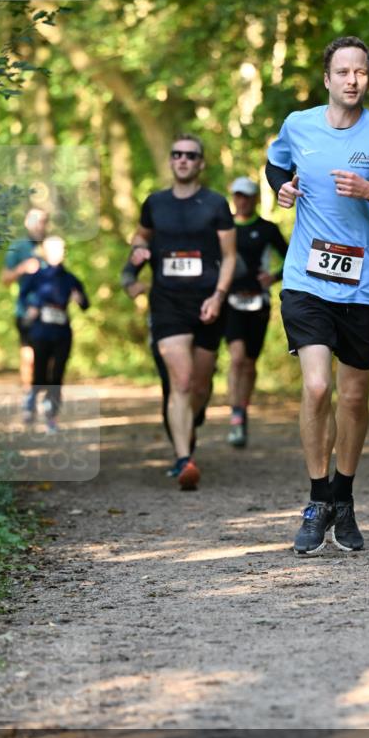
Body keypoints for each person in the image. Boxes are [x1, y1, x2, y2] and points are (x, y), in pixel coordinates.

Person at [266, 35, 369, 554]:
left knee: (353, 396)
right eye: (343, 72)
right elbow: (276, 164)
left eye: (361, 73)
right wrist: (281, 189)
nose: (353, 80)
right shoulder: (298, 125)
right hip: (307, 279)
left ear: (367, 79)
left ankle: (344, 498)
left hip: (365, 285)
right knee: (315, 388)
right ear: (327, 79)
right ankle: (315, 500)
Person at [124, 134, 236, 490]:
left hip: (207, 303)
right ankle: (183, 459)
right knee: (182, 381)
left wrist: (219, 296)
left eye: (191, 155)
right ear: (171, 161)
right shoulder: (155, 203)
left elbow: (230, 256)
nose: (183, 160)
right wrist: (139, 255)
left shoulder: (216, 204)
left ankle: (191, 425)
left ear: (201, 163)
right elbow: (139, 238)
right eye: (177, 154)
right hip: (167, 302)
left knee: (200, 386)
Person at [225, 176, 288, 448]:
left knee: (249, 363)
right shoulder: (223, 227)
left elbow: (293, 257)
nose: (242, 200)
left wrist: (274, 278)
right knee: (236, 358)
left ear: (254, 199)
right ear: (233, 197)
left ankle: (243, 406)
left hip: (258, 302)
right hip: (229, 302)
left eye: (247, 196)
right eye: (238, 195)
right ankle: (235, 416)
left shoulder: (267, 229)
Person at [19, 235, 89, 432]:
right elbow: (22, 296)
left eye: (62, 249)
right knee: (40, 375)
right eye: (56, 248)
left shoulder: (69, 278)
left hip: (62, 334)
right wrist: (32, 306)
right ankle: (31, 402)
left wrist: (79, 298)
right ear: (46, 252)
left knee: (57, 376)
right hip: (41, 332)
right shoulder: (37, 276)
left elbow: (85, 305)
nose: (60, 252)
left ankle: (51, 416)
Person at [1, 208, 48, 389]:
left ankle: (47, 397)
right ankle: (30, 396)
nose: (41, 225)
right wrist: (22, 268)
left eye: (44, 221)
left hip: (51, 310)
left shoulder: (51, 244)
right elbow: (5, 279)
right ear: (27, 223)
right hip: (26, 310)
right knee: (29, 357)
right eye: (37, 221)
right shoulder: (18, 246)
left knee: (50, 356)